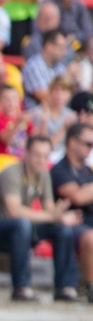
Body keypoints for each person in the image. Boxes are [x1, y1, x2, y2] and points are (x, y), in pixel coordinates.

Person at [0, 134, 81, 301]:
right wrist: (52, 216)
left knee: (62, 229)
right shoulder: (12, 173)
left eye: (45, 156)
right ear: (26, 153)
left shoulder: (43, 175)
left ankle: (65, 287)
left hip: (18, 227)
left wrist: (61, 216)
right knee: (22, 224)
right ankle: (21, 287)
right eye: (36, 154)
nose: (40, 160)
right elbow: (14, 211)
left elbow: (50, 210)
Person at [50, 121, 93, 302]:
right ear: (72, 142)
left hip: (88, 221)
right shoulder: (60, 169)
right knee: (90, 238)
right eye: (88, 144)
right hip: (71, 223)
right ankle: (91, 287)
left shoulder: (87, 172)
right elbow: (77, 197)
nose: (91, 149)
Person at [23, 29, 70, 105]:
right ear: (49, 46)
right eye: (61, 47)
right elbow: (44, 96)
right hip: (36, 112)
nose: (65, 52)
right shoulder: (33, 66)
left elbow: (69, 92)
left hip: (58, 113)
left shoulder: (60, 67)